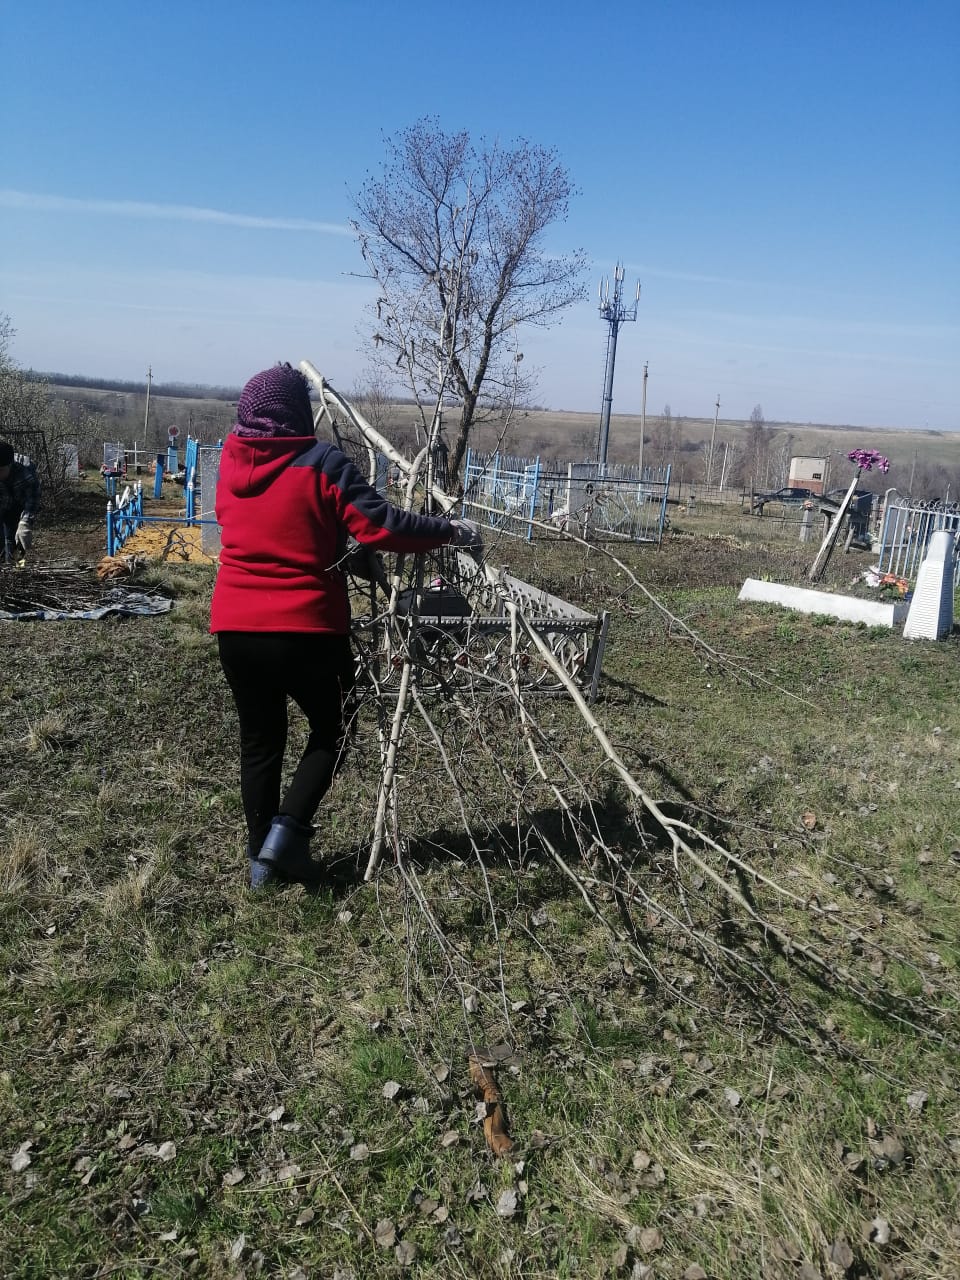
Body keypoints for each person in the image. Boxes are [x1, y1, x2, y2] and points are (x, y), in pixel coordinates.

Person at [210, 363, 481, 890]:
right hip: (305, 629)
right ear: (298, 412)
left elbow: (275, 527)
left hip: (236, 629)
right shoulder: (322, 463)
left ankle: (259, 861)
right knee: (335, 725)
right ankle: (284, 840)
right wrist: (449, 530)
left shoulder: (228, 463)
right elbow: (381, 525)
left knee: (260, 742)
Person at [0, 442, 41, 565]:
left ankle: (15, 571)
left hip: (18, 506)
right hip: (2, 503)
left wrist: (25, 523)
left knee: (15, 540)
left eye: (1, 470)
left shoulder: (26, 473)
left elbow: (32, 500)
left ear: (10, 465)